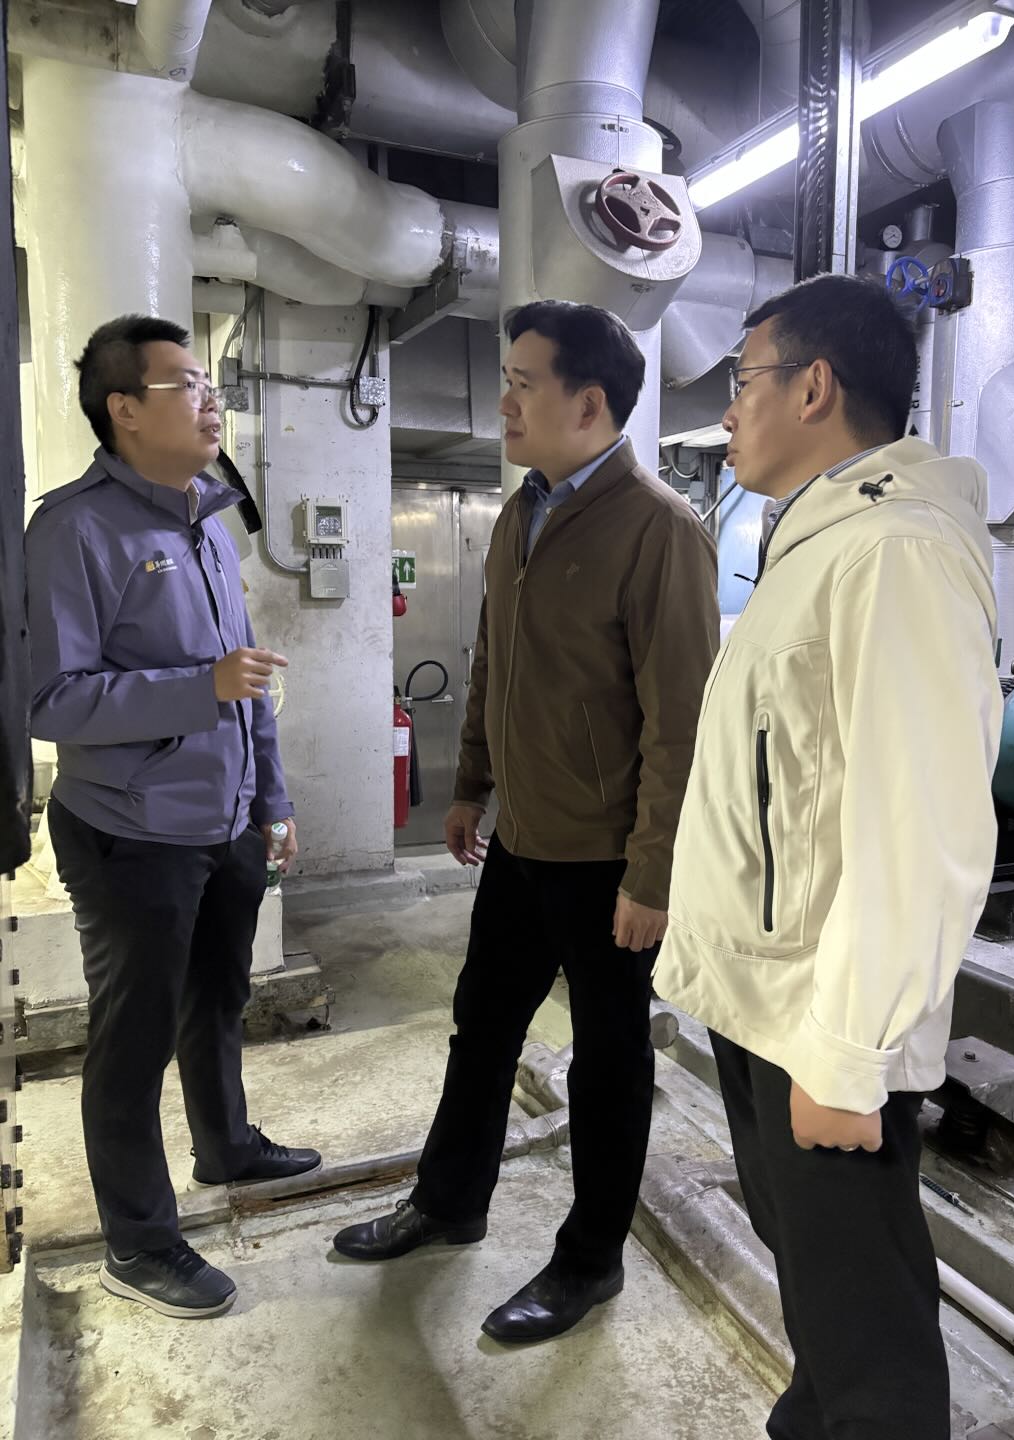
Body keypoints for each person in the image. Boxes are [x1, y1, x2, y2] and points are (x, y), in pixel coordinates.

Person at [654, 273, 1002, 1439]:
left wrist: (850, 1056)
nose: (729, 409)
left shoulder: (894, 551)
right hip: (768, 1000)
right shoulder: (817, 541)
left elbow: (921, 825)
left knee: (868, 1342)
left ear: (813, 388)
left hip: (819, 1015)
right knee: (815, 1284)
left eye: (744, 380)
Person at [334, 300, 720, 1342]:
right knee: (483, 1025)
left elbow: (682, 723)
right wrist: (469, 784)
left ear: (588, 403)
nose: (502, 401)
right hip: (520, 840)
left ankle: (590, 1261)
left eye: (521, 383)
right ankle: (449, 1202)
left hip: (605, 861)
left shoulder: (660, 531)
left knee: (607, 1061)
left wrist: (652, 874)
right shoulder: (524, 513)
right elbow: (493, 663)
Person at [25, 315, 321, 1320]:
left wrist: (270, 801)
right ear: (123, 409)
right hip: (130, 830)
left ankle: (225, 1145)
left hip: (224, 817)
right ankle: (139, 1242)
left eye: (210, 384)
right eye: (187, 385)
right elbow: (49, 701)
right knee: (133, 1034)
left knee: (217, 998)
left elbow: (248, 683)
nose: (211, 401)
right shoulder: (73, 532)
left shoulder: (204, 522)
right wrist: (201, 688)